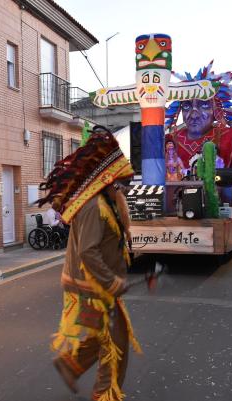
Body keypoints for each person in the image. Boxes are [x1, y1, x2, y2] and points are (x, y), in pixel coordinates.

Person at [37, 126, 141, 401]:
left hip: (95, 286)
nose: (124, 187)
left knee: (101, 337)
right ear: (107, 179)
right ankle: (104, 395)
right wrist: (112, 281)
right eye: (120, 181)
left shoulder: (107, 202)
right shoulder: (95, 206)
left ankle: (71, 365)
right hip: (91, 289)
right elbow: (88, 252)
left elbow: (105, 244)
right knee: (114, 344)